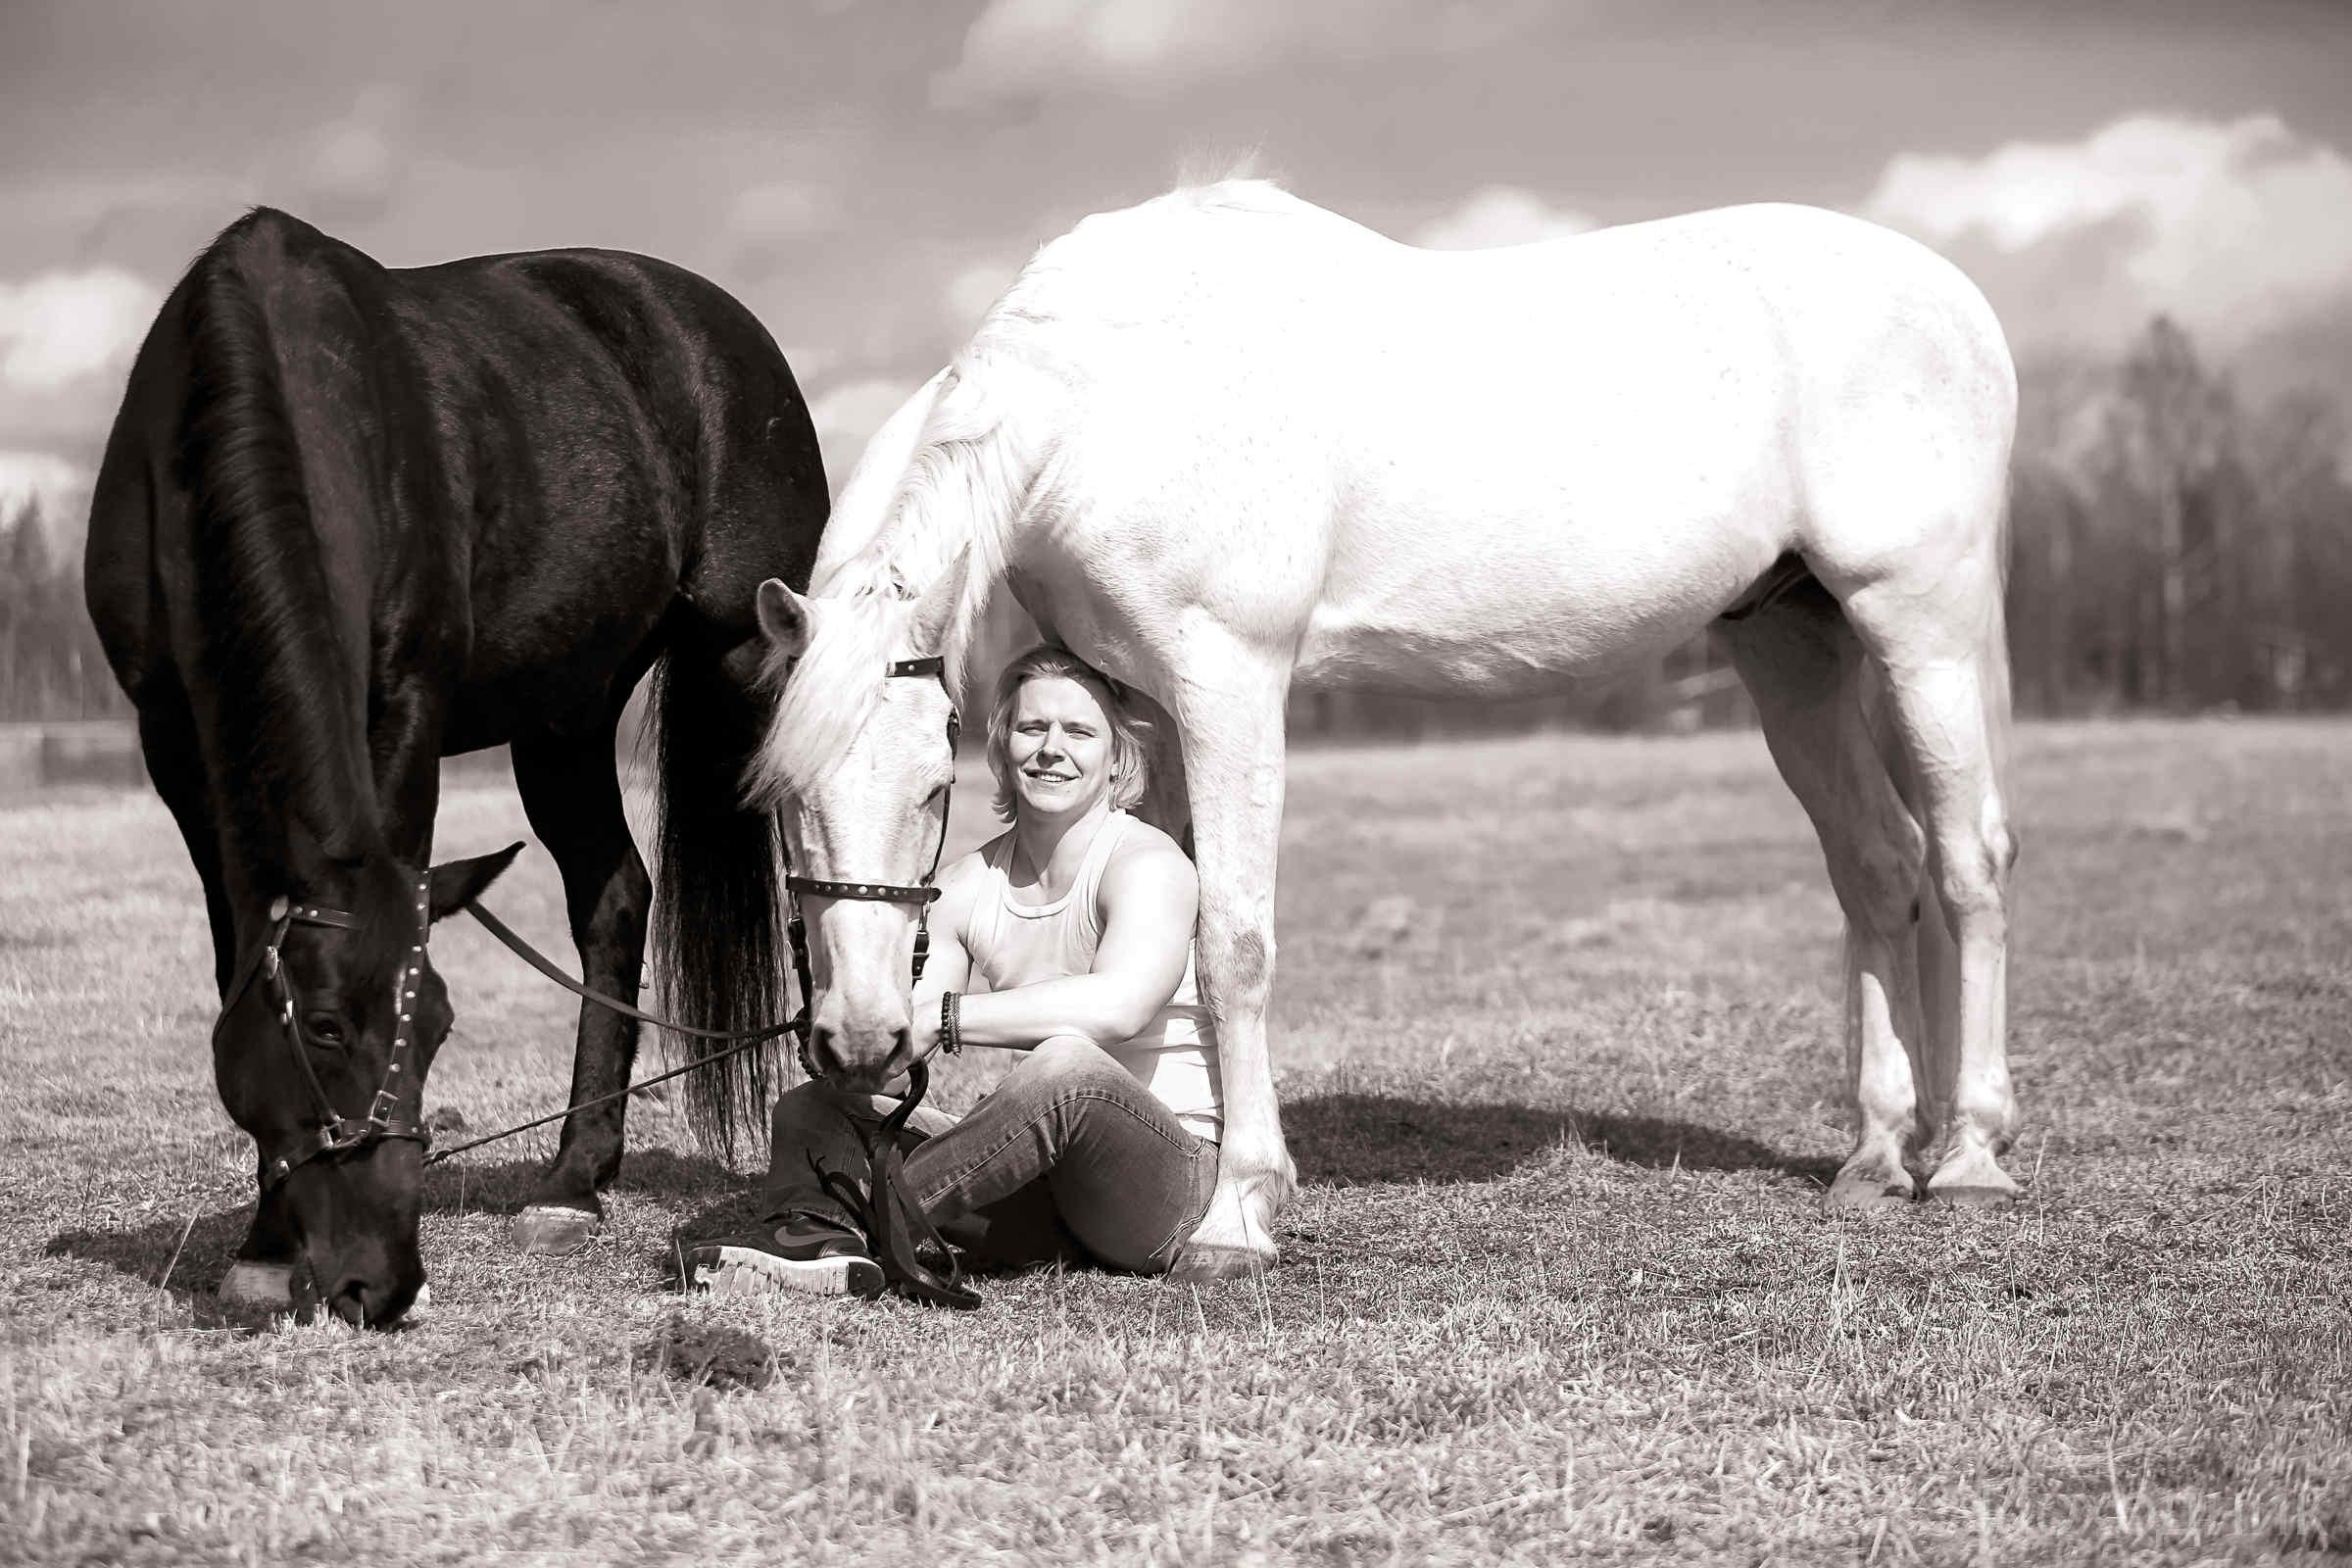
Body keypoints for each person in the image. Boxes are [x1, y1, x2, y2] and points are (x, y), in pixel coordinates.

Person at [687, 645, 1222, 1298]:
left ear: (1119, 759)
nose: (1051, 749)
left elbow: (1120, 1007)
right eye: (1032, 728)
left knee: (1065, 1065)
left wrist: (944, 1019)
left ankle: (864, 1223)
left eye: (1079, 732)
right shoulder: (966, 884)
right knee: (816, 1106)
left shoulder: (1147, 863)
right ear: (1001, 747)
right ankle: (817, 1247)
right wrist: (860, 1030)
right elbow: (904, 1047)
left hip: (1162, 1190)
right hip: (1042, 1192)